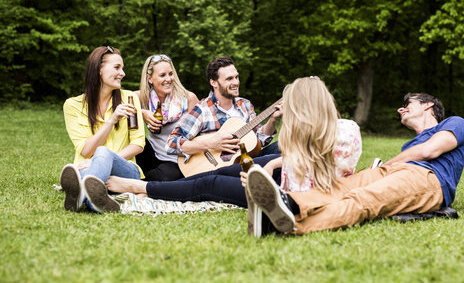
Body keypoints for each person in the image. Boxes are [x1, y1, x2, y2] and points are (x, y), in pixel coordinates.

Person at [105, 77, 362, 230]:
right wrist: (270, 166)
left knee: (210, 183)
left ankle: (139, 187)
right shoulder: (332, 130)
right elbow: (304, 158)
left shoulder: (344, 131)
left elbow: (316, 171)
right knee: (223, 170)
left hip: (286, 194)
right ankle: (165, 186)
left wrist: (266, 175)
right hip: (280, 173)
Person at [246, 88, 464, 236]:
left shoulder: (454, 122)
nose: (401, 109)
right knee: (340, 186)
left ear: (428, 105)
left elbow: (429, 150)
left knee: (363, 199)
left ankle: (285, 226)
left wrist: (387, 166)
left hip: (428, 179)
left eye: (407, 104)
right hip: (393, 171)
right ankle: (290, 203)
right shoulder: (408, 146)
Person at [60, 46, 145, 213]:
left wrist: (100, 159)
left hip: (126, 171)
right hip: (88, 169)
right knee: (93, 168)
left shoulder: (130, 99)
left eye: (122, 68)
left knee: (103, 152)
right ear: (99, 69)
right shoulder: (73, 106)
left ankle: (78, 195)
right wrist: (111, 121)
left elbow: (138, 143)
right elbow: (85, 150)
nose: (123, 73)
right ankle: (95, 201)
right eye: (117, 67)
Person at [166, 55, 281, 168]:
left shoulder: (245, 105)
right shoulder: (202, 109)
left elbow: (259, 140)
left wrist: (272, 120)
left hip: (245, 159)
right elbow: (171, 144)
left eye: (236, 77)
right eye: (229, 79)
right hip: (217, 169)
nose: (236, 82)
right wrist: (210, 144)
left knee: (282, 146)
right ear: (214, 82)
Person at [134, 54, 198, 181]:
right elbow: (117, 105)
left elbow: (202, 135)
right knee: (134, 139)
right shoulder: (142, 97)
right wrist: (142, 113)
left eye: (170, 74)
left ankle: (136, 182)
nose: (168, 79)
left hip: (176, 159)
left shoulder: (188, 98)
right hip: (153, 156)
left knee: (166, 177)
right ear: (150, 79)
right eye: (162, 75)